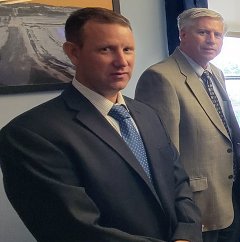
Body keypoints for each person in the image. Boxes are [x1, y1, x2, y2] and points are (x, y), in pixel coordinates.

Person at [0, 8, 202, 241]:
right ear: (74, 53)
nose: (121, 61)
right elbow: (72, 229)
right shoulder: (30, 134)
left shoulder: (147, 114)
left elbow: (178, 183)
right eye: (106, 49)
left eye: (127, 49)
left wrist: (186, 235)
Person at [135, 8, 240, 242]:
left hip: (228, 196)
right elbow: (163, 156)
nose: (212, 40)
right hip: (195, 205)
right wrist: (180, 213)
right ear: (183, 35)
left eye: (218, 34)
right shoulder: (160, 77)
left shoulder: (215, 72)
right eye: (203, 32)